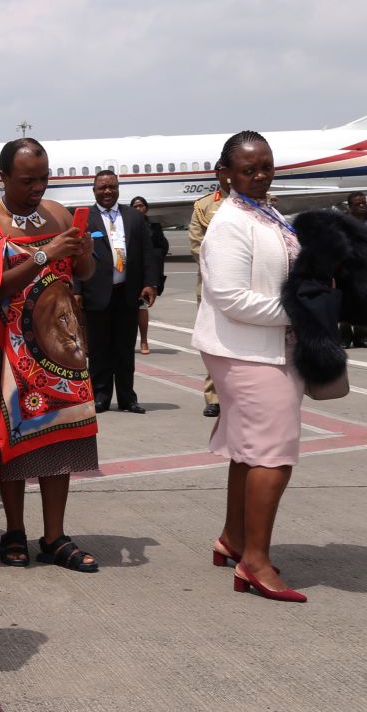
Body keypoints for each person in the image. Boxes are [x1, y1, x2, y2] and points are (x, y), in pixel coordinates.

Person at [0, 138, 101, 574]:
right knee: (14, 444)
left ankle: (54, 536)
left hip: (62, 348)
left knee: (62, 438)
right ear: (2, 179)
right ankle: (14, 529)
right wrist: (45, 253)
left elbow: (86, 274)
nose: (38, 186)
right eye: (27, 180)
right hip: (12, 348)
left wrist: (84, 254)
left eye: (43, 177)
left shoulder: (57, 214)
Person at [191, 131, 307, 603]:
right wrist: (300, 310)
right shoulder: (228, 222)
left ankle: (234, 539)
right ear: (227, 174)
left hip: (266, 345)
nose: (259, 176)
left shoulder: (267, 210)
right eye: (248, 169)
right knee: (273, 454)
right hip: (247, 350)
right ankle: (254, 562)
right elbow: (229, 296)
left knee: (247, 448)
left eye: (266, 166)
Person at [75, 170, 159, 413]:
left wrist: (150, 283)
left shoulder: (132, 216)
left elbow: (147, 252)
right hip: (96, 293)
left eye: (112, 187)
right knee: (99, 350)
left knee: (124, 350)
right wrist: (78, 288)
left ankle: (127, 398)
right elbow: (75, 256)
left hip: (127, 292)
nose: (107, 191)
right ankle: (100, 397)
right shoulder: (85, 218)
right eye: (102, 188)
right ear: (94, 191)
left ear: (118, 188)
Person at [188, 167, 231, 417]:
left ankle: (237, 393)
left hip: (248, 286)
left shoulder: (253, 204)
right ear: (218, 174)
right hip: (211, 285)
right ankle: (213, 396)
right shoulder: (204, 206)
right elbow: (197, 246)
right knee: (213, 342)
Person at [130, 195, 169, 354]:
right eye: (135, 206)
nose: (138, 209)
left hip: (145, 272)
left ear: (146, 208)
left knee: (142, 307)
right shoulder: (127, 225)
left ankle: (144, 341)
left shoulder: (154, 227)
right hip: (130, 271)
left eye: (141, 206)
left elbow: (163, 247)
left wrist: (150, 257)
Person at [340, 191, 367, 348]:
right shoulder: (344, 222)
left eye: (364, 202)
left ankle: (361, 337)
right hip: (347, 268)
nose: (362, 206)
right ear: (350, 206)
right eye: (358, 204)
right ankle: (344, 337)